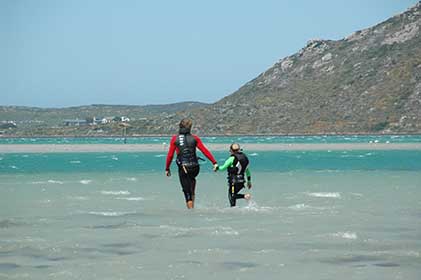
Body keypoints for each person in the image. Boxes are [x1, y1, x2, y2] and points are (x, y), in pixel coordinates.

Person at [165, 118, 218, 209]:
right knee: (192, 180)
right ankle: (192, 195)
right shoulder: (195, 138)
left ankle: (191, 213)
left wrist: (167, 168)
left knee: (186, 192)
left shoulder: (175, 139)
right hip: (195, 167)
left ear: (180, 127)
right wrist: (214, 162)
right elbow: (204, 151)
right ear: (190, 128)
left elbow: (170, 155)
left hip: (184, 168)